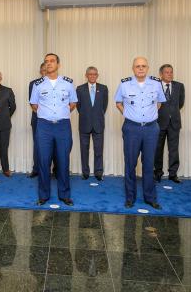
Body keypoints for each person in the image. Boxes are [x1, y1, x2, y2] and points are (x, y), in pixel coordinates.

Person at [114, 57, 166, 209]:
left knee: (149, 164)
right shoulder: (124, 84)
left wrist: (150, 116)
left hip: (151, 129)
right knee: (130, 163)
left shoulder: (156, 84)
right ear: (133, 68)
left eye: (143, 66)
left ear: (148, 68)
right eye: (138, 66)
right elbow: (118, 103)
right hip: (131, 128)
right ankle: (130, 197)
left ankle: (150, 198)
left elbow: (160, 103)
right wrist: (129, 115)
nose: (141, 68)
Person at [30, 53, 77, 206]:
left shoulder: (68, 83)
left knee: (63, 160)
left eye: (52, 61)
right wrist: (47, 115)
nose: (49, 64)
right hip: (44, 126)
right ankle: (43, 195)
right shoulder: (38, 84)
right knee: (44, 161)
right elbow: (34, 105)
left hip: (63, 126)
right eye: (46, 61)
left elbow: (72, 103)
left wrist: (60, 114)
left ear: (58, 64)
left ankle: (64, 195)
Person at [76, 66, 108, 181]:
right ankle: (85, 172)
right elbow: (78, 107)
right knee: (84, 150)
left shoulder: (104, 88)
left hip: (98, 124)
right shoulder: (79, 89)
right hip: (84, 123)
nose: (92, 76)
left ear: (97, 75)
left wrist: (96, 116)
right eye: (90, 74)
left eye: (95, 74)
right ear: (86, 75)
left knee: (98, 150)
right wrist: (87, 115)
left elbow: (104, 106)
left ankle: (98, 173)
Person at [154, 64, 185, 183]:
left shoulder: (179, 86)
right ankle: (158, 172)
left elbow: (180, 103)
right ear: (161, 74)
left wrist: (172, 113)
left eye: (171, 72)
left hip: (174, 123)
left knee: (173, 150)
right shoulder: (155, 86)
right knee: (158, 149)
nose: (170, 74)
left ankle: (173, 173)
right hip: (158, 122)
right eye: (167, 72)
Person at [28, 63, 57, 178]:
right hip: (38, 119)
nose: (46, 72)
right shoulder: (34, 84)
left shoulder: (58, 83)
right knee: (38, 145)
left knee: (56, 145)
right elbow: (32, 102)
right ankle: (37, 169)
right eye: (44, 70)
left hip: (55, 120)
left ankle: (56, 170)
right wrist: (43, 115)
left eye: (48, 70)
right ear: (41, 71)